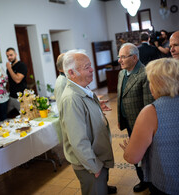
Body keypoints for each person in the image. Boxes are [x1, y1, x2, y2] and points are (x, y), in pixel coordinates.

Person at [119, 58, 179, 194]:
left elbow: (132, 157)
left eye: (150, 81)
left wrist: (128, 149)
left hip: (171, 186)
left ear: (157, 84)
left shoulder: (151, 112)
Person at [59, 50, 116, 195]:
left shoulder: (82, 87)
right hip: (89, 164)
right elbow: (78, 141)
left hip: (97, 156)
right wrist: (94, 166)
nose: (92, 70)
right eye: (86, 67)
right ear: (72, 73)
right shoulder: (71, 98)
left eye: (90, 65)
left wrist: (95, 107)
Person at [117, 43, 154, 192]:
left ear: (134, 57)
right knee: (134, 152)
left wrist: (146, 128)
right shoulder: (122, 73)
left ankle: (151, 181)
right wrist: (120, 119)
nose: (119, 60)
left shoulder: (145, 74)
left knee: (146, 154)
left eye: (123, 57)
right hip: (128, 121)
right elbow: (120, 98)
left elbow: (148, 106)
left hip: (141, 125)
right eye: (119, 57)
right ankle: (143, 180)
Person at [6, 48, 27, 114]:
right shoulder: (9, 69)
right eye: (7, 56)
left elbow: (17, 80)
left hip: (20, 97)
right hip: (11, 97)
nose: (9, 57)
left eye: (11, 55)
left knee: (25, 115)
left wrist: (9, 68)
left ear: (16, 54)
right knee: (8, 117)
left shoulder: (21, 65)